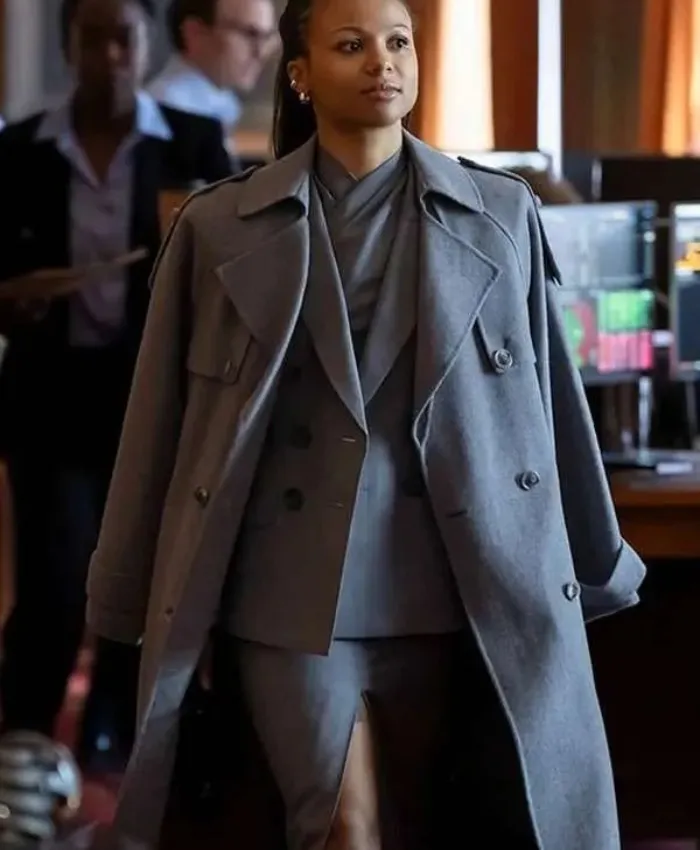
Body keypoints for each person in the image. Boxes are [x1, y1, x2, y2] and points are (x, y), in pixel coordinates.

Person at [86, 0, 646, 847]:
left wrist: (593, 563)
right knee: (343, 828)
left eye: (398, 43)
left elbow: (548, 406)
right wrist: (123, 590)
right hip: (286, 593)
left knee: (431, 824)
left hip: (454, 579)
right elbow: (158, 426)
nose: (382, 62)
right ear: (300, 75)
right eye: (351, 46)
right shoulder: (217, 226)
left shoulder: (500, 214)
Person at [0, 0, 231, 773]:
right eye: (91, 38)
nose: (108, 56)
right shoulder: (21, 151)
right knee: (56, 577)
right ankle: (25, 741)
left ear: (146, 43)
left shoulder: (192, 144)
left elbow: (230, 270)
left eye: (122, 38)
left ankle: (114, 736)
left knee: (140, 570)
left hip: (151, 397)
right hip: (48, 397)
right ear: (69, 45)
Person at [147, 0, 278, 140]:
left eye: (267, 37)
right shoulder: (168, 111)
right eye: (250, 34)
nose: (261, 52)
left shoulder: (223, 102)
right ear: (194, 32)